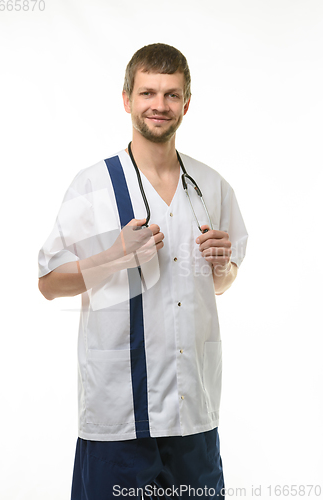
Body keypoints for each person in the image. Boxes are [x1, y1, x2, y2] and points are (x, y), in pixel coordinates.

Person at [38, 43, 248, 500]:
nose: (159, 105)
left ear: (186, 103)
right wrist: (113, 256)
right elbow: (49, 284)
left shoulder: (211, 186)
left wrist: (222, 265)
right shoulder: (93, 184)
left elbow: (223, 282)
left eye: (172, 95)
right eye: (148, 92)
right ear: (127, 99)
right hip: (118, 418)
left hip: (194, 413)